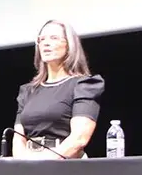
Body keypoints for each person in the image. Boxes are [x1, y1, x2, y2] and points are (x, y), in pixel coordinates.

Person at [12, 20, 105, 159]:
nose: (46, 43)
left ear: (69, 45)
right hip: (29, 167)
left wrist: (44, 162)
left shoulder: (84, 85)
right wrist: (23, 164)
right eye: (41, 39)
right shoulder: (28, 91)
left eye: (54, 38)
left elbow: (79, 139)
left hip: (65, 166)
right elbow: (18, 138)